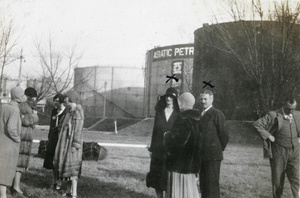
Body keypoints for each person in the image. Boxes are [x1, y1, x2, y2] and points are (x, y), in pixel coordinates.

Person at [253, 97, 300, 198]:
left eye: (293, 109)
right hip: (279, 152)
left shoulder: (298, 115)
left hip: (295, 152)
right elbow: (257, 124)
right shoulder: (273, 115)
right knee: (278, 182)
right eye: (288, 109)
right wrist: (269, 136)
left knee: (297, 179)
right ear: (283, 105)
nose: (291, 111)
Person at [164, 92, 201, 198]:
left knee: (178, 192)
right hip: (191, 164)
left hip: (179, 164)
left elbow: (178, 141)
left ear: (181, 104)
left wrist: (166, 136)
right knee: (189, 191)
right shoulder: (197, 120)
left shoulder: (182, 120)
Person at [147, 87, 180, 198]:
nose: (169, 98)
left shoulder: (178, 114)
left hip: (171, 151)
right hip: (158, 149)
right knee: (157, 178)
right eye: (167, 96)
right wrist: (151, 149)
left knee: (169, 179)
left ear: (175, 99)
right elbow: (155, 131)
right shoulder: (160, 112)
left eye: (171, 97)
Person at [53, 90, 84, 198]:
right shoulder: (70, 111)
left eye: (67, 99)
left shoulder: (77, 112)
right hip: (66, 144)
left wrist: (75, 145)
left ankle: (74, 193)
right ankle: (68, 191)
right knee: (67, 169)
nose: (65, 101)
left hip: (72, 145)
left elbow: (78, 130)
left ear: (71, 100)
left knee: (73, 169)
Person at [198, 90, 228, 198]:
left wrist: (217, 148)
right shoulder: (199, 114)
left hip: (213, 155)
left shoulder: (217, 114)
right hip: (202, 155)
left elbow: (224, 135)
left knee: (212, 186)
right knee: (203, 185)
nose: (203, 101)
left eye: (205, 99)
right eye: (201, 99)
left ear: (211, 99)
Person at [11, 87, 39, 196]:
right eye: (33, 97)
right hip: (23, 137)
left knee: (20, 163)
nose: (34, 100)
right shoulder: (24, 106)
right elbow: (25, 120)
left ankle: (15, 185)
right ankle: (16, 186)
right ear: (30, 96)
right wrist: (35, 117)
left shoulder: (25, 105)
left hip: (24, 136)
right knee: (20, 163)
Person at [0, 86, 26, 198]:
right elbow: (11, 128)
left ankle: (2, 194)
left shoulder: (4, 106)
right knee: (7, 169)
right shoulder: (15, 109)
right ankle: (3, 196)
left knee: (2, 168)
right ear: (18, 97)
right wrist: (17, 138)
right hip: (10, 144)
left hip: (2, 142)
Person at [43, 93, 69, 190]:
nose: (55, 103)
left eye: (57, 101)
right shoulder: (54, 111)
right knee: (53, 161)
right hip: (53, 139)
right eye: (55, 100)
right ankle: (54, 181)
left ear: (62, 101)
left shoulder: (66, 112)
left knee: (60, 161)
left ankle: (59, 182)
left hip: (61, 139)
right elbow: (51, 125)